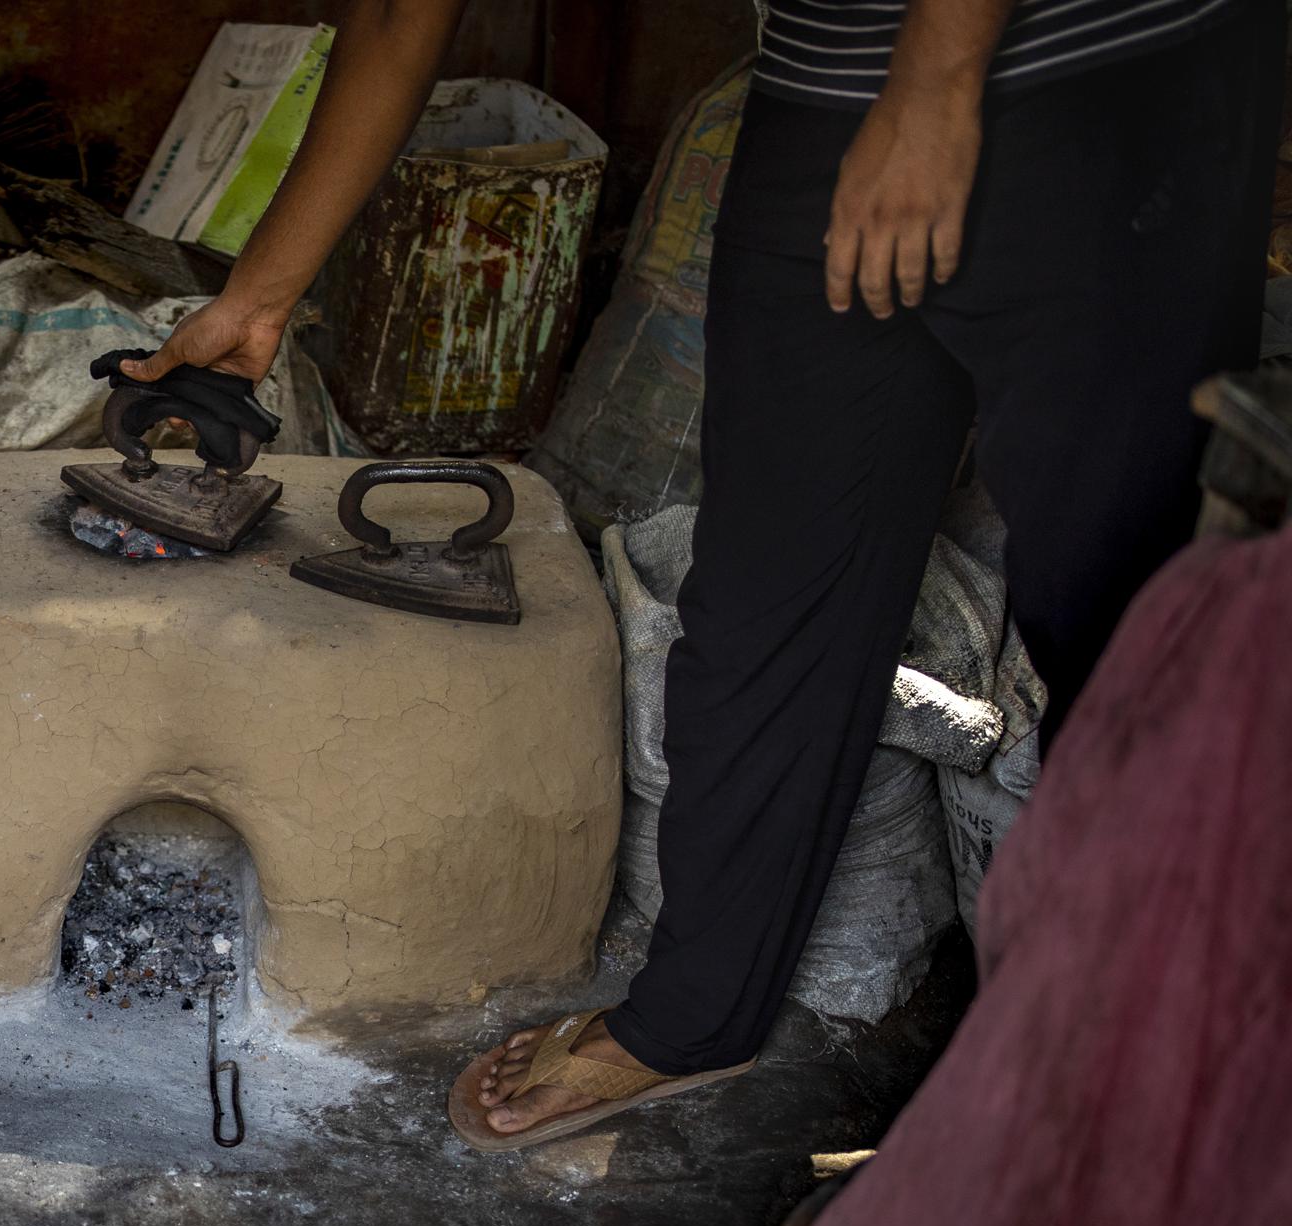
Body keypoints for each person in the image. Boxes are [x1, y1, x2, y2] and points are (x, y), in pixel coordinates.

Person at [123, 0, 1281, 1148]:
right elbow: (395, 14)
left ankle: (1153, 1092)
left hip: (1100, 82)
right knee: (766, 589)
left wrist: (932, 94)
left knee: (1120, 623)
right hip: (830, 91)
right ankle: (694, 1014)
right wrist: (261, 296)